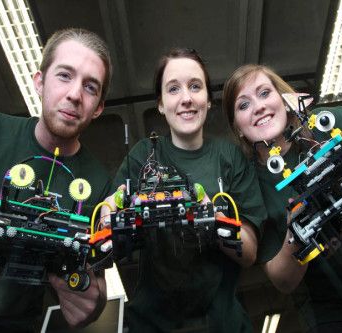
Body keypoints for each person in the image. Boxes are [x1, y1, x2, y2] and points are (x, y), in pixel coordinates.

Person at [222, 64, 342, 332]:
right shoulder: (249, 184)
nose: (258, 107)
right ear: (237, 128)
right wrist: (295, 234)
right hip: (337, 315)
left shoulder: (326, 124)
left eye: (264, 93)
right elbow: (283, 282)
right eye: (243, 105)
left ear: (285, 101)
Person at [0, 28, 113, 332]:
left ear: (98, 108)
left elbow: (96, 284)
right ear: (39, 82)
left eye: (90, 86)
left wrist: (91, 304)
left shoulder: (99, 184)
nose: (74, 94)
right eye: (64, 75)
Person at [108, 48, 267, 332]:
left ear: (208, 101)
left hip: (223, 323)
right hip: (152, 324)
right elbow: (110, 225)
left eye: (195, 86)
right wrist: (109, 214)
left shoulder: (229, 158)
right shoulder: (143, 155)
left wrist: (210, 216)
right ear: (160, 104)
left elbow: (250, 252)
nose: (186, 99)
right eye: (173, 89)